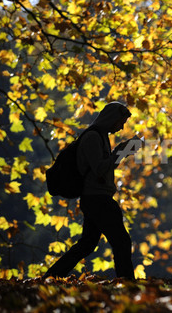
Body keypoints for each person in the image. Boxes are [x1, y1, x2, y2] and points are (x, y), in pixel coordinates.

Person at [44, 102, 140, 280]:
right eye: (121, 122)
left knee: (87, 244)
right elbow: (100, 168)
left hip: (95, 198)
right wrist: (122, 151)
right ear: (112, 119)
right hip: (97, 199)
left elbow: (104, 166)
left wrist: (121, 151)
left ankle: (52, 276)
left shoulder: (101, 136)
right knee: (121, 241)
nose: (121, 126)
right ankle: (126, 282)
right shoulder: (93, 138)